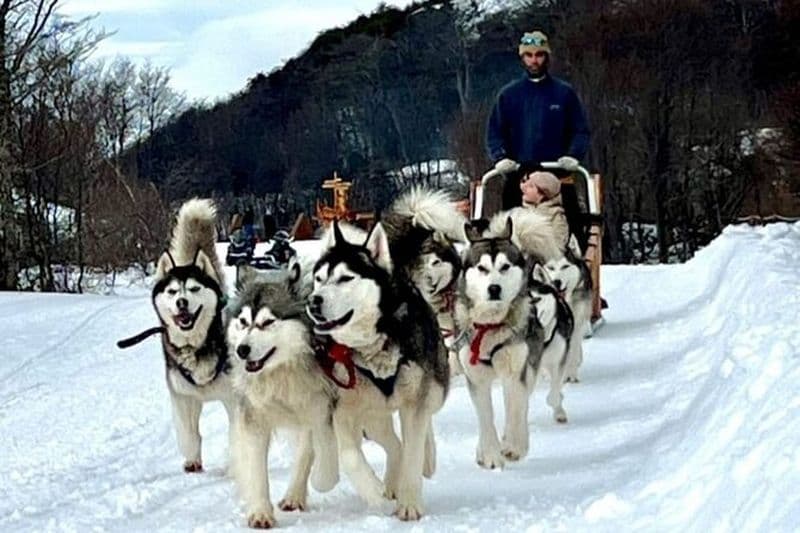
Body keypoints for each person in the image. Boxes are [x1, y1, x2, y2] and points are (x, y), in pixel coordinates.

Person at [486, 29, 590, 247]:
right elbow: (495, 133)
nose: (534, 60)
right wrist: (500, 157)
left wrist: (573, 155)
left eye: (539, 55)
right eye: (529, 55)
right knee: (511, 242)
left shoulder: (564, 93)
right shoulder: (508, 95)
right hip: (519, 181)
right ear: (522, 57)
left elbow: (580, 131)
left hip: (559, 180)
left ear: (547, 56)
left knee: (575, 238)